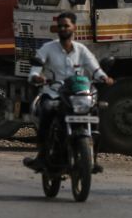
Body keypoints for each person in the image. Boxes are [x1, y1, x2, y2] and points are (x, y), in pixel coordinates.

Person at [23, 11, 113, 171]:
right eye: (60, 26)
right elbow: (35, 70)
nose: (63, 28)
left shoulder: (81, 50)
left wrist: (104, 78)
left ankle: (93, 157)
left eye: (66, 25)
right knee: (47, 111)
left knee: (95, 111)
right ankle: (42, 156)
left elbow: (95, 69)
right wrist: (37, 77)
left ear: (74, 28)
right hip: (53, 93)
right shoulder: (48, 48)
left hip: (77, 95)